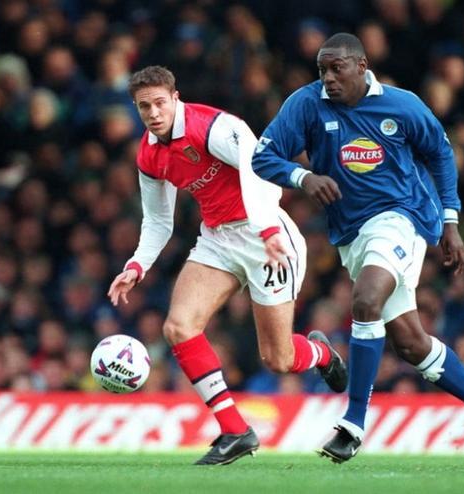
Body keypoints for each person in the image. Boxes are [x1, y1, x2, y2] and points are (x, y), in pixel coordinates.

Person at [251, 33, 464, 465]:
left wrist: (451, 222)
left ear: (362, 66)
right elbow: (262, 158)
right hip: (351, 233)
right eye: (322, 70)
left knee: (366, 301)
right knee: (411, 344)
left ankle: (353, 423)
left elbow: (441, 154)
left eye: (336, 68)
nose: (328, 78)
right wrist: (304, 177)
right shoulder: (306, 104)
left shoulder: (402, 105)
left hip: (403, 218)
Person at [107, 66, 347, 465]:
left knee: (279, 359)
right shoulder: (148, 153)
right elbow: (158, 220)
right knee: (178, 326)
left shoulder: (213, 127)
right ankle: (235, 430)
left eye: (160, 103)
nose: (153, 113)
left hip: (264, 237)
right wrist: (136, 265)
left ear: (176, 98)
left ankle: (321, 354)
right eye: (144, 106)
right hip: (218, 239)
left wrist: (268, 228)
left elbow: (261, 169)